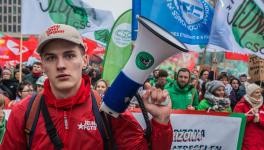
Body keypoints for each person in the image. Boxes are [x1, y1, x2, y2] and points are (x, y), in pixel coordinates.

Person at [1, 24, 172, 149]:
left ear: (84, 60)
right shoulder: (24, 112)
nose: (61, 65)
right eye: (51, 58)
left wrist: (161, 121)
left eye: (69, 55)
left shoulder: (107, 108)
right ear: (43, 64)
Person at [234, 83, 264, 149]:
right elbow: (236, 123)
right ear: (250, 94)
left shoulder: (262, 106)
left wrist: (259, 120)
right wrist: (251, 116)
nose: (259, 94)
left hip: (261, 142)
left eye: (260, 92)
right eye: (256, 92)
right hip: (246, 142)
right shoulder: (240, 105)